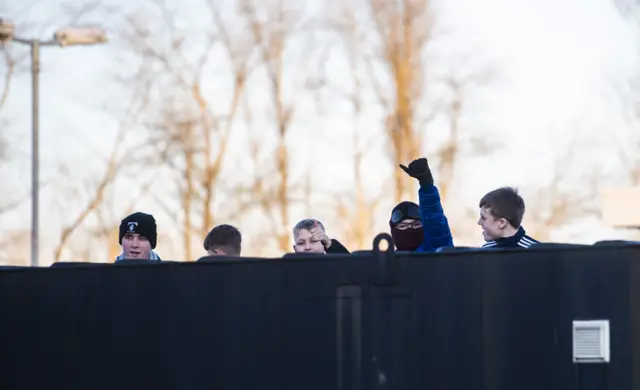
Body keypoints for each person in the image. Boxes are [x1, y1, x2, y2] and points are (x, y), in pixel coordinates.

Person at [391, 157, 453, 252]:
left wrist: (427, 188)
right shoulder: (387, 263)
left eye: (416, 224)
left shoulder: (436, 252)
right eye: (403, 226)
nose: (410, 230)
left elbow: (435, 225)